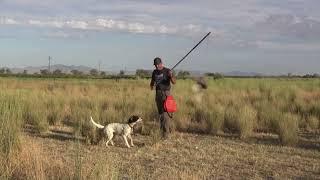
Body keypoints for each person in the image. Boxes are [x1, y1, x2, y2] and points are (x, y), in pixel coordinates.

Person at [150, 57, 176, 139]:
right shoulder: (154, 72)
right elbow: (152, 83)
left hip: (166, 94)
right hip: (158, 94)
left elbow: (174, 82)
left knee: (165, 115)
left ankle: (166, 135)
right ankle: (162, 133)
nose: (157, 66)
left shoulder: (167, 71)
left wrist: (171, 76)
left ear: (161, 63)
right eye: (155, 65)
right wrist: (152, 85)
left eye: (158, 64)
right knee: (161, 114)